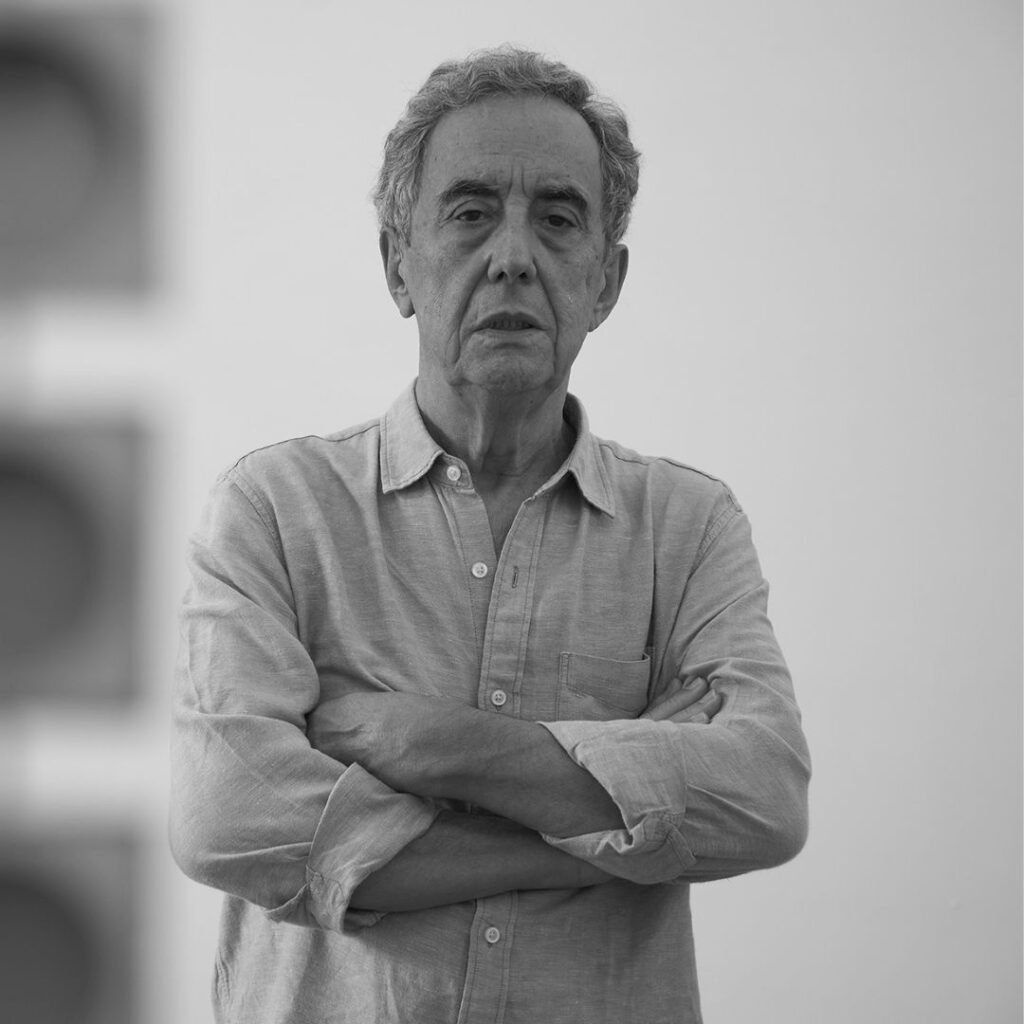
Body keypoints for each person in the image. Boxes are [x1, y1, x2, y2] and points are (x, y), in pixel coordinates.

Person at [170, 46, 810, 1024]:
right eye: (470, 213)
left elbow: (764, 798)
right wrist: (617, 820)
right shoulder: (273, 510)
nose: (513, 255)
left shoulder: (688, 527)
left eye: (558, 218)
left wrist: (428, 743)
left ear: (605, 281)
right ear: (398, 265)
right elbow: (228, 819)